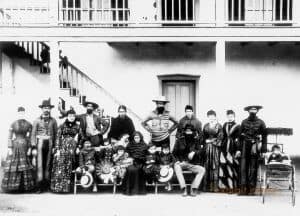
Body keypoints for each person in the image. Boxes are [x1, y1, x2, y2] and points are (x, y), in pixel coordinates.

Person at [1, 107, 35, 193]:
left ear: (25, 113)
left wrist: (30, 148)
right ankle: (13, 188)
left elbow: (31, 137)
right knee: (14, 166)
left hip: (25, 146)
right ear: (17, 114)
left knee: (25, 166)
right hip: (15, 146)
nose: (21, 114)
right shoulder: (13, 124)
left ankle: (24, 188)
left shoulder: (29, 124)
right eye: (20, 113)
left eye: (23, 113)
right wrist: (9, 148)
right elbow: (9, 136)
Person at [50, 109, 82, 193]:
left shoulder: (78, 127)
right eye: (70, 116)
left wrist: (79, 147)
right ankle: (58, 187)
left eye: (73, 116)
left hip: (73, 147)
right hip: (62, 147)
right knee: (60, 164)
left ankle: (67, 188)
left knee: (69, 165)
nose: (72, 118)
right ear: (67, 116)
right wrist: (57, 149)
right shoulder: (62, 125)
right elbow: (57, 137)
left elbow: (81, 138)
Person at [239, 105, 267, 195]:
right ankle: (243, 188)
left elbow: (264, 137)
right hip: (244, 146)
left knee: (253, 168)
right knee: (243, 168)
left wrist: (263, 150)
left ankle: (252, 189)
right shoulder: (243, 122)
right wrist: (238, 149)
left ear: (257, 111)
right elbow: (240, 137)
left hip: (255, 146)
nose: (253, 111)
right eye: (251, 109)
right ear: (248, 111)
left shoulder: (261, 122)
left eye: (255, 109)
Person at [31, 99, 58, 193]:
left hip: (50, 143)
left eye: (48, 108)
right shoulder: (37, 120)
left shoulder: (53, 121)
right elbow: (33, 134)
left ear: (50, 109)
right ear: (42, 109)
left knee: (48, 164)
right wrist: (34, 147)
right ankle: (39, 186)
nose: (46, 109)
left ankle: (47, 185)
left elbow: (56, 134)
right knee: (39, 165)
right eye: (45, 108)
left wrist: (55, 146)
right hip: (40, 143)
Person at [173, 124, 206, 196]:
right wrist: (177, 161)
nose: (188, 133)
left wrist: (194, 152)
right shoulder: (179, 140)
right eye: (187, 131)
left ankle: (193, 188)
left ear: (193, 132)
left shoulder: (196, 140)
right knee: (177, 167)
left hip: (192, 163)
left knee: (202, 170)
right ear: (184, 131)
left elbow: (201, 150)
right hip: (181, 162)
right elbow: (173, 153)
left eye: (190, 131)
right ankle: (183, 188)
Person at [218, 110, 241, 193]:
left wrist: (238, 149)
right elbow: (223, 136)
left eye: (231, 116)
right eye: (228, 116)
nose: (230, 118)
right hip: (224, 148)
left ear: (234, 117)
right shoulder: (225, 125)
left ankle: (234, 188)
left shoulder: (238, 126)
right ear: (227, 117)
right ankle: (227, 187)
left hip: (233, 148)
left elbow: (239, 139)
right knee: (225, 167)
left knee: (233, 167)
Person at [202, 110, 223, 192]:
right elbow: (203, 137)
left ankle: (215, 187)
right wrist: (204, 142)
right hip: (207, 148)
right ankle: (206, 187)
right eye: (209, 116)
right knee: (207, 164)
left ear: (215, 116)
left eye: (212, 116)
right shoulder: (206, 126)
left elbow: (221, 137)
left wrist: (212, 141)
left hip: (215, 148)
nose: (211, 118)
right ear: (208, 117)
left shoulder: (219, 126)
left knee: (215, 165)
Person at [122, 131, 148, 195]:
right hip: (132, 162)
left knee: (138, 170)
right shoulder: (130, 145)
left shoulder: (144, 145)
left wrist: (141, 158)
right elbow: (126, 154)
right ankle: (130, 191)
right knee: (130, 169)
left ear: (140, 138)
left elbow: (146, 155)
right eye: (135, 137)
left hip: (141, 162)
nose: (137, 139)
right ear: (133, 138)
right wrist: (129, 158)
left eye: (138, 137)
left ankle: (139, 190)